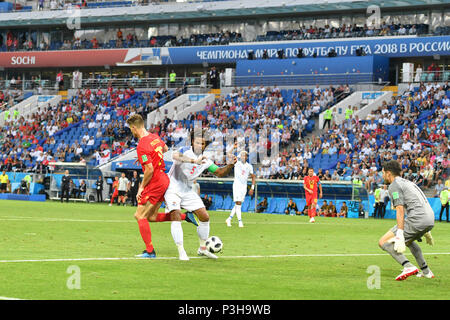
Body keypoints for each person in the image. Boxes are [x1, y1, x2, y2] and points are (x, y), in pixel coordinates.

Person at [127, 114, 198, 259]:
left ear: (134, 127)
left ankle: (150, 251)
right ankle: (185, 216)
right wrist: (149, 157)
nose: (131, 132)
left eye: (131, 129)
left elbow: (149, 170)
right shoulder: (154, 137)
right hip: (164, 179)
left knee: (140, 215)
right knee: (151, 217)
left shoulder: (142, 144)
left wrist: (141, 188)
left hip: (155, 181)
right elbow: (164, 149)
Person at [165, 128, 237, 260]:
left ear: (205, 145)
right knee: (175, 215)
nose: (199, 145)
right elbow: (175, 156)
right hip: (172, 188)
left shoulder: (206, 161)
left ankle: (203, 248)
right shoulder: (184, 151)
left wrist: (230, 165)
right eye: (197, 142)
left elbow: (220, 173)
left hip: (187, 190)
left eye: (202, 143)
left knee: (204, 216)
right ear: (192, 142)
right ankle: (181, 251)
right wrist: (194, 161)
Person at [378, 160, 435, 281]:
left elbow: (400, 210)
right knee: (409, 241)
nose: (382, 175)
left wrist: (399, 233)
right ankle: (426, 272)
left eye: (383, 173)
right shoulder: (407, 182)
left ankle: (408, 266)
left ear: (388, 173)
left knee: (383, 241)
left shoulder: (394, 185)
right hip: (429, 217)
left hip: (418, 219)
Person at [226, 151, 255, 228]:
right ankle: (240, 222)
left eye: (244, 156)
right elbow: (228, 154)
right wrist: (234, 148)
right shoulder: (236, 163)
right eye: (241, 156)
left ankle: (229, 219)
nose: (243, 157)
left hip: (244, 186)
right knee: (238, 203)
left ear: (246, 157)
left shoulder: (249, 166)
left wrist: (252, 188)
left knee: (238, 204)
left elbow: (253, 177)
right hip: (237, 185)